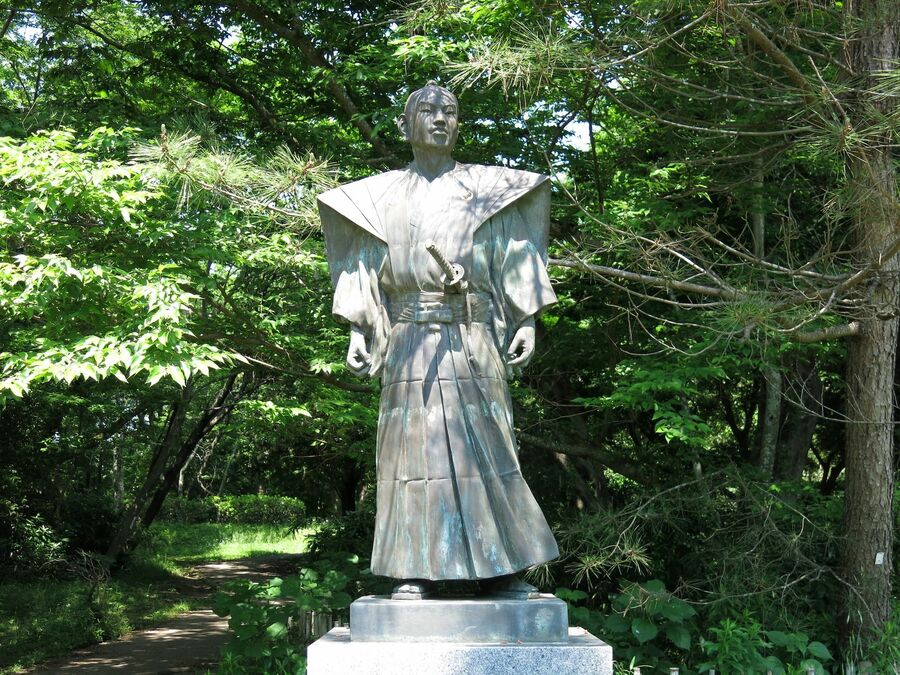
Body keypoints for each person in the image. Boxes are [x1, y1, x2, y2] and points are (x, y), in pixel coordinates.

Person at [318, 81, 558, 600]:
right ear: (405, 125)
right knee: (410, 454)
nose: (439, 118)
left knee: (490, 448)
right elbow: (364, 264)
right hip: (409, 340)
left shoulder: (486, 190)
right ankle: (414, 568)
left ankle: (502, 569)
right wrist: (359, 328)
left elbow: (515, 251)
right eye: (426, 110)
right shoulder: (381, 196)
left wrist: (526, 320)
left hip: (473, 336)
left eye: (448, 111)